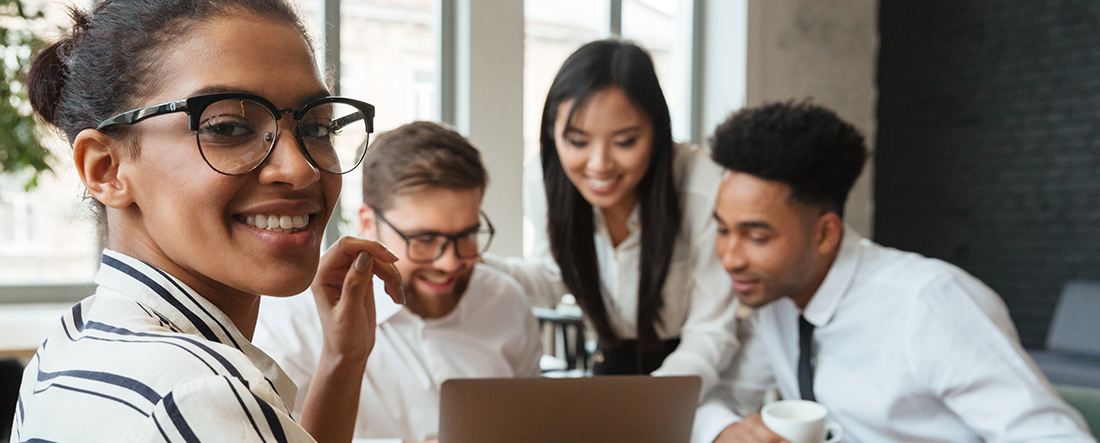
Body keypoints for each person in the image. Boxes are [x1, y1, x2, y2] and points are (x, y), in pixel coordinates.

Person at [12, 1, 404, 442]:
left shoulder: (69, 344)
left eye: (317, 128)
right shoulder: (197, 398)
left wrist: (342, 360)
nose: (300, 170)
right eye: (229, 127)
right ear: (106, 169)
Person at [704, 101, 1094, 442]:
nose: (730, 257)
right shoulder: (777, 299)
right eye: (722, 230)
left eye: (755, 237)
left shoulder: (931, 304)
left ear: (825, 233)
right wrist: (725, 430)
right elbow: (727, 394)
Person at [254, 121, 542, 442]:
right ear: (368, 223)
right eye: (424, 238)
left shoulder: (505, 302)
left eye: (467, 235)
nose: (449, 263)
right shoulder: (291, 322)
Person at [484, 39, 739, 396]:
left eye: (624, 142)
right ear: (552, 134)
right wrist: (469, 259)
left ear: (656, 134)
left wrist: (654, 402)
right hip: (609, 357)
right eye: (576, 141)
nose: (599, 164)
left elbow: (712, 330)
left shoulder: (702, 186)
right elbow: (552, 276)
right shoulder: (543, 179)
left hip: (698, 366)